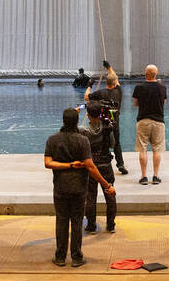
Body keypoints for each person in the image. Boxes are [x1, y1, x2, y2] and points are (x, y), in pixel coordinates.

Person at [44, 107, 115, 267]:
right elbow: (90, 166)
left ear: (63, 121)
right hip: (78, 187)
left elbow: (48, 163)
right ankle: (76, 257)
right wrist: (106, 185)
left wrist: (67, 165)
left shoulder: (52, 140)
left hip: (60, 187)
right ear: (77, 122)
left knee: (61, 221)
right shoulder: (83, 141)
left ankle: (60, 257)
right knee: (76, 222)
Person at [80, 101, 118, 233]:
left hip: (91, 167)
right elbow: (113, 144)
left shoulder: (83, 131)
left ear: (88, 115)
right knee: (110, 194)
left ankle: (91, 226)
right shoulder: (107, 128)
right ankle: (111, 225)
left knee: (91, 197)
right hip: (106, 165)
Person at [84, 61, 128, 174]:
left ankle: (102, 162)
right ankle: (120, 164)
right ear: (114, 84)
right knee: (117, 144)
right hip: (114, 123)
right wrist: (109, 67)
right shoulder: (118, 92)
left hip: (102, 124)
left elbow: (86, 97)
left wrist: (89, 85)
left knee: (102, 144)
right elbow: (116, 78)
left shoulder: (100, 93)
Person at [132, 64, 167, 185]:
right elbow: (164, 102)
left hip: (143, 121)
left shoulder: (139, 87)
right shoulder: (162, 87)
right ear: (156, 74)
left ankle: (143, 177)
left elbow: (135, 104)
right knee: (157, 150)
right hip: (158, 121)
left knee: (143, 149)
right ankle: (156, 176)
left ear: (145, 74)